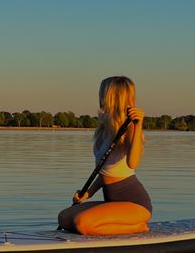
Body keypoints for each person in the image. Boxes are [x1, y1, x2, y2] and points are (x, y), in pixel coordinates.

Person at [58, 76, 152, 235]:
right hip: (112, 201)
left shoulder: (129, 128)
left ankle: (138, 227)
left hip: (135, 204)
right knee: (64, 218)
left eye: (102, 93)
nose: (99, 97)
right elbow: (104, 173)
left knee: (82, 224)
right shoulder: (104, 129)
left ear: (110, 96)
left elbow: (133, 163)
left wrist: (138, 126)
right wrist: (88, 193)